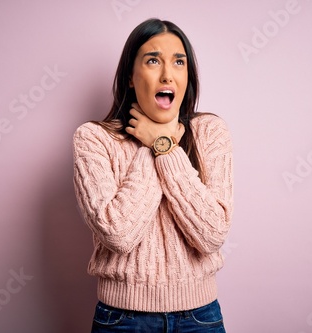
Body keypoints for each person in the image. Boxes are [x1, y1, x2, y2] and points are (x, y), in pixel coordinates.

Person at [73, 18, 233, 333]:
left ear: (188, 75)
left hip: (200, 318)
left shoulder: (210, 132)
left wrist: (161, 144)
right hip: (122, 319)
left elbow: (212, 234)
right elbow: (119, 234)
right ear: (131, 77)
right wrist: (155, 143)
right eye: (152, 60)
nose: (166, 74)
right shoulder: (93, 138)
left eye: (178, 62)